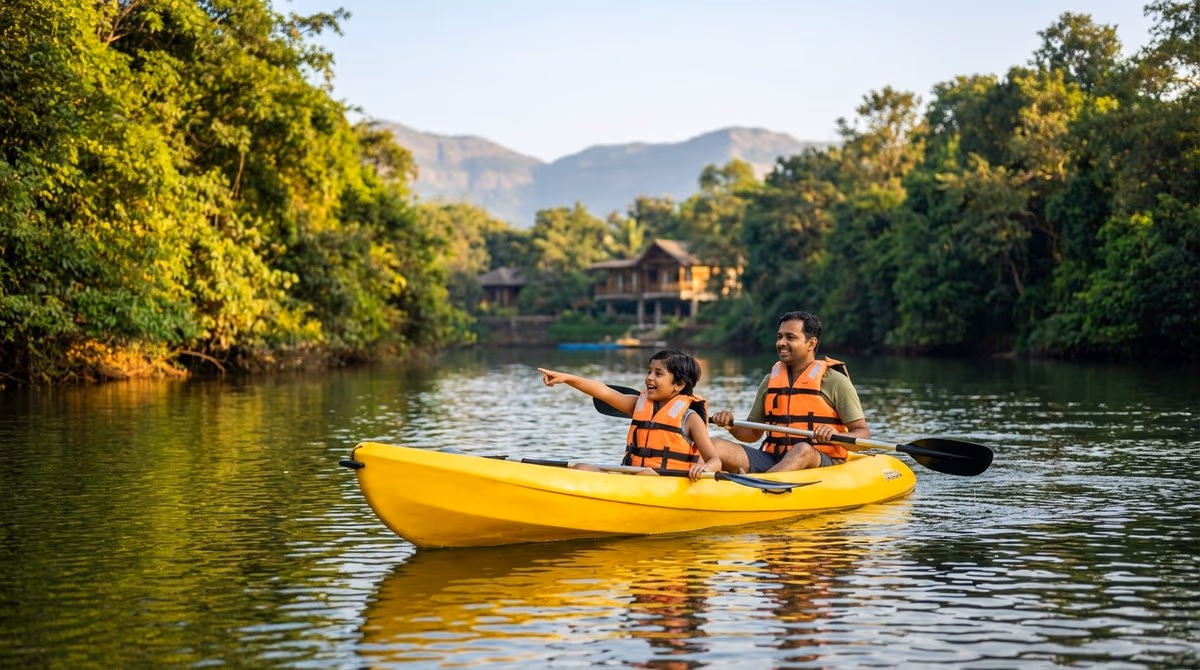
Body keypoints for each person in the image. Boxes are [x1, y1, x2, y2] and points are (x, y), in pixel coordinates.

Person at [710, 311, 870, 473]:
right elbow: (752, 433)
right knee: (714, 445)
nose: (781, 343)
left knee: (803, 449)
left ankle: (763, 485)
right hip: (772, 458)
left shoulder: (835, 381)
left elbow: (863, 435)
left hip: (819, 460)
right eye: (779, 337)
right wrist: (730, 425)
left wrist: (836, 435)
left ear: (811, 343)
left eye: (790, 337)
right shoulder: (769, 381)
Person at [538, 349, 723, 481]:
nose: (649, 378)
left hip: (667, 482)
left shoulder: (690, 418)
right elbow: (604, 392)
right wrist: (567, 378)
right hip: (632, 477)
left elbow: (715, 460)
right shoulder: (638, 404)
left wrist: (704, 468)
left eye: (658, 374)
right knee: (581, 468)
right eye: (649, 371)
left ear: (679, 385)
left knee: (647, 474)